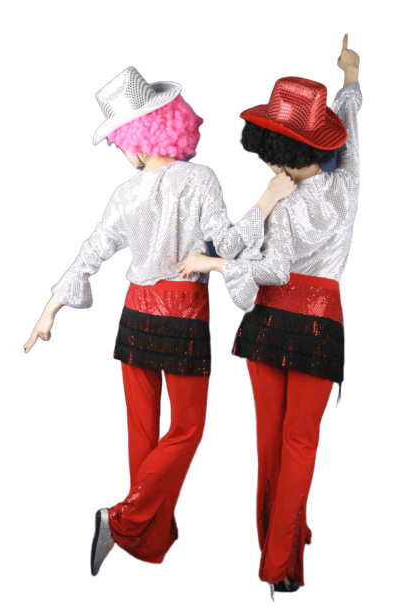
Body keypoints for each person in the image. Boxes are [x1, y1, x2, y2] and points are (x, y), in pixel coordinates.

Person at [22, 65, 297, 578]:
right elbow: (228, 245)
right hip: (184, 314)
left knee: (143, 432)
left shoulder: (125, 195)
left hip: (134, 315)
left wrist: (50, 309)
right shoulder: (200, 179)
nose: (123, 153)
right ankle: (124, 521)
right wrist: (266, 199)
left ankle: (145, 541)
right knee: (187, 429)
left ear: (135, 137)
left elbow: (92, 251)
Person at [178, 33, 361, 602]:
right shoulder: (348, 182)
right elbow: (351, 127)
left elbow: (273, 270)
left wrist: (213, 260)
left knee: (270, 443)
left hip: (268, 326)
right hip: (322, 327)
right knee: (302, 445)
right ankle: (281, 561)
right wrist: (350, 79)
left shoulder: (283, 204)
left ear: (279, 149)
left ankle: (274, 552)